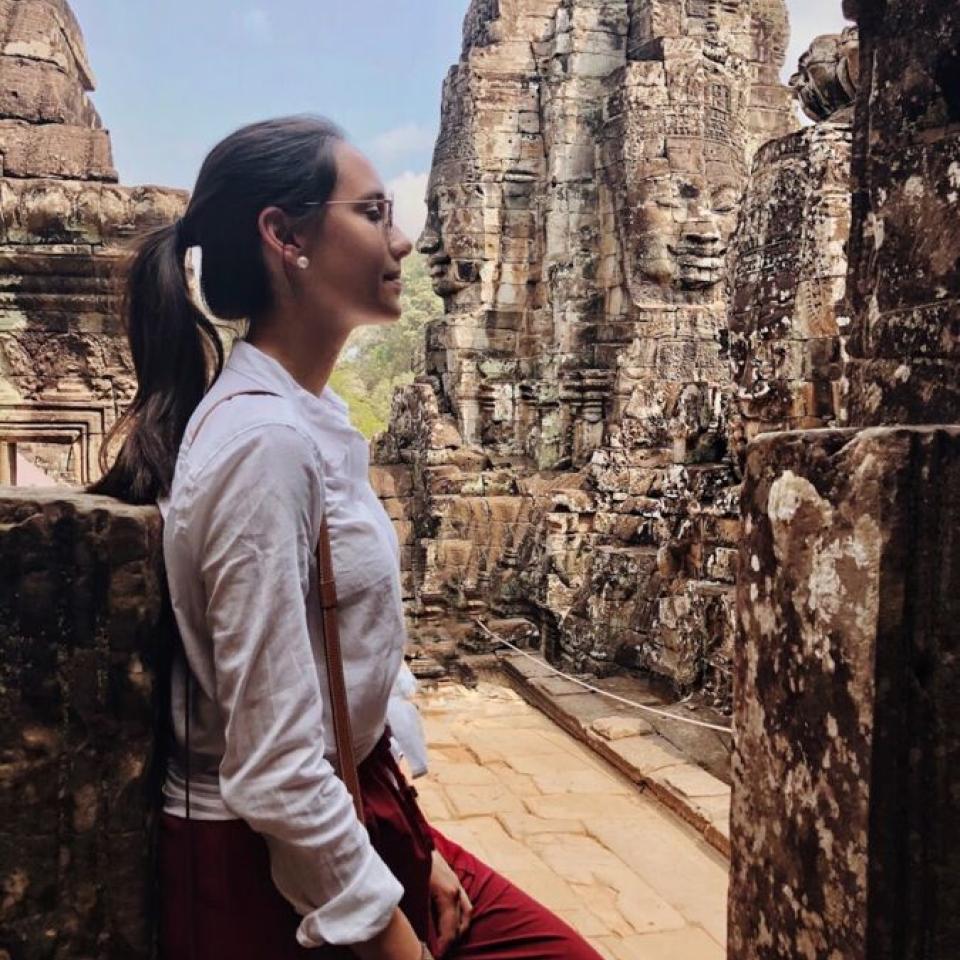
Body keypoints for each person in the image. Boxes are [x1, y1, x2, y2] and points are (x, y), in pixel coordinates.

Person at [93, 115, 603, 960]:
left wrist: (417, 843)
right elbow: (275, 763)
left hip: (360, 802)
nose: (402, 241)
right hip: (268, 862)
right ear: (285, 235)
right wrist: (385, 933)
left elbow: (341, 684)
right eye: (373, 213)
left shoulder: (311, 417)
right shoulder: (265, 445)